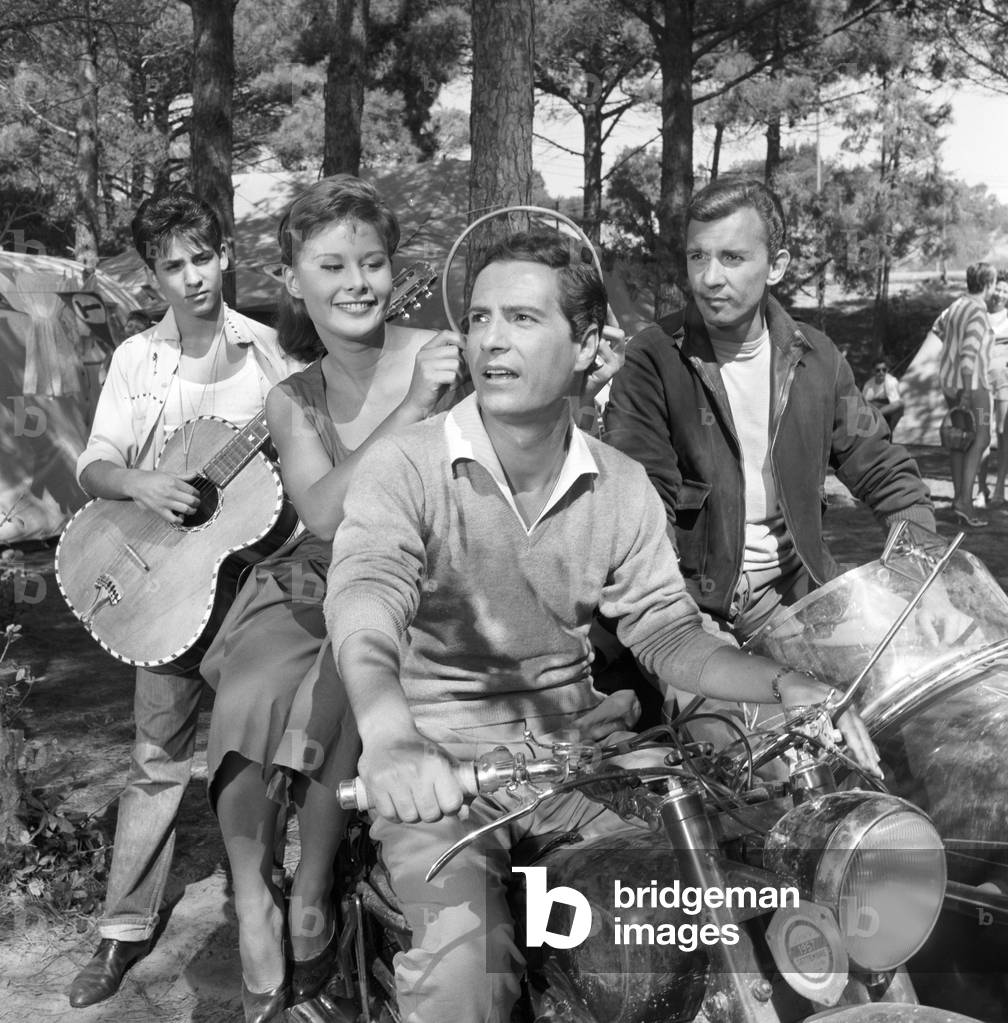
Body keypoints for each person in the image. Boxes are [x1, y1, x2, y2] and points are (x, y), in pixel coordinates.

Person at [323, 231, 880, 1023]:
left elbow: (669, 633)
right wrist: (389, 734)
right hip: (442, 780)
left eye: (522, 318)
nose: (491, 340)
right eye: (479, 318)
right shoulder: (406, 465)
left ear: (586, 344)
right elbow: (365, 596)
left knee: (719, 909)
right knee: (464, 977)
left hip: (578, 773)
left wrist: (786, 685)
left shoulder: (618, 484)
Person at [200, 180, 625, 1023]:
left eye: (372, 262)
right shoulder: (293, 398)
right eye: (331, 266)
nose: (357, 281)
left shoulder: (454, 345)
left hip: (434, 566)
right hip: (313, 576)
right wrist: (414, 408)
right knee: (254, 690)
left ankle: (313, 885)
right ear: (292, 281)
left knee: (358, 673)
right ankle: (253, 896)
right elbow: (325, 513)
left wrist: (579, 379)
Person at [69, 193, 297, 1008]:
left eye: (203, 256)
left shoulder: (273, 354)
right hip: (165, 583)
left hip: (252, 585)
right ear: (154, 275)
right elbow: (93, 463)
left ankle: (273, 912)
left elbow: (313, 459)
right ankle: (123, 928)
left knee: (261, 752)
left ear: (225, 252)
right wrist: (138, 481)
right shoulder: (138, 360)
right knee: (156, 758)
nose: (193, 276)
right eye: (173, 265)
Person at [604, 178, 935, 642]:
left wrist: (921, 569)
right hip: (688, 602)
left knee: (907, 663)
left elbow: (886, 472)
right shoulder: (651, 358)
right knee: (726, 696)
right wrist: (686, 629)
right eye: (697, 256)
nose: (709, 278)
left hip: (797, 596)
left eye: (732, 258)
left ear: (775, 266)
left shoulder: (818, 359)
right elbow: (641, 505)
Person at [932, 261, 997, 527]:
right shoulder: (978, 312)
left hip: (949, 381)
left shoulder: (956, 306)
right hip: (973, 384)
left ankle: (957, 500)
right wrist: (969, 392)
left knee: (959, 440)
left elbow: (937, 328)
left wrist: (951, 349)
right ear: (988, 284)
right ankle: (965, 503)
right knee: (981, 438)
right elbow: (969, 355)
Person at [980, 271, 1008, 509]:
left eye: (1005, 291)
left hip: (1004, 382)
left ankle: (1000, 487)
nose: (1001, 293)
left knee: (1002, 431)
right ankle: (981, 488)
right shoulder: (980, 315)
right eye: (998, 289)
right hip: (981, 380)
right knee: (983, 433)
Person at [862, 359, 904, 435]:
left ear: (887, 370)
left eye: (884, 370)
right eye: (878, 370)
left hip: (888, 410)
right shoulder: (868, 385)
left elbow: (895, 403)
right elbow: (864, 403)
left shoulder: (891, 381)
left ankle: (877, 417)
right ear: (873, 371)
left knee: (900, 404)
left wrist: (878, 412)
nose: (881, 373)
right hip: (873, 408)